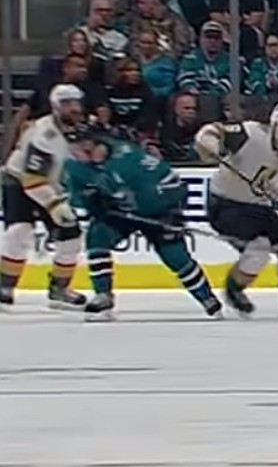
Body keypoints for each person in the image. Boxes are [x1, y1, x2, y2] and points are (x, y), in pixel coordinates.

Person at [63, 124, 223, 321]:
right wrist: (92, 204)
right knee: (97, 237)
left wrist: (170, 210)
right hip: (120, 213)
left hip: (157, 210)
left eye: (76, 146)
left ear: (89, 144)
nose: (72, 152)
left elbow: (173, 183)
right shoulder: (75, 166)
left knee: (175, 257)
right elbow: (76, 196)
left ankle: (207, 299)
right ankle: (103, 296)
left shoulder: (129, 157)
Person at [194, 104, 278, 319]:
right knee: (259, 247)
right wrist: (209, 144)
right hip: (224, 204)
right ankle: (234, 290)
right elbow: (212, 131)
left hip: (256, 206)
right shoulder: (251, 134)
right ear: (275, 126)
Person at [0, 85, 90, 311]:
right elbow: (32, 180)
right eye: (67, 103)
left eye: (76, 102)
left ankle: (59, 290)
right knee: (19, 231)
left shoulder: (84, 128)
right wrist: (55, 206)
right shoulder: (44, 134)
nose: (74, 108)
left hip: (52, 184)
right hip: (19, 181)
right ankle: (4, 286)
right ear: (56, 106)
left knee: (71, 236)